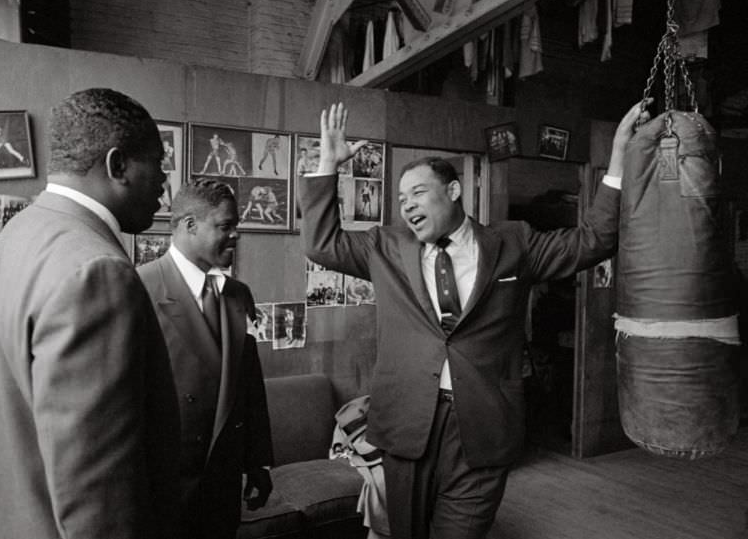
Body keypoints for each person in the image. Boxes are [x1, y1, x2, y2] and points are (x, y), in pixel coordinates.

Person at [298, 100, 651, 539]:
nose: (407, 206)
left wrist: (618, 157)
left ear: (453, 191)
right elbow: (321, 244)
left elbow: (594, 240)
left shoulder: (513, 244)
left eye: (419, 193)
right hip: (407, 425)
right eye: (402, 198)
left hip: (483, 426)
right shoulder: (384, 247)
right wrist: (327, 165)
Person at [0, 88, 181, 539]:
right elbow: (99, 495)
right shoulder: (97, 271)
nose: (164, 183)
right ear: (118, 166)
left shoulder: (6, 246)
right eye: (159, 163)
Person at [138, 179, 273, 539]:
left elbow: (248, 386)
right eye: (225, 226)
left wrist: (257, 461)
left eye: (236, 226)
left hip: (221, 485)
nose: (235, 236)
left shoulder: (237, 294)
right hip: (164, 487)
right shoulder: (140, 289)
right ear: (189, 226)